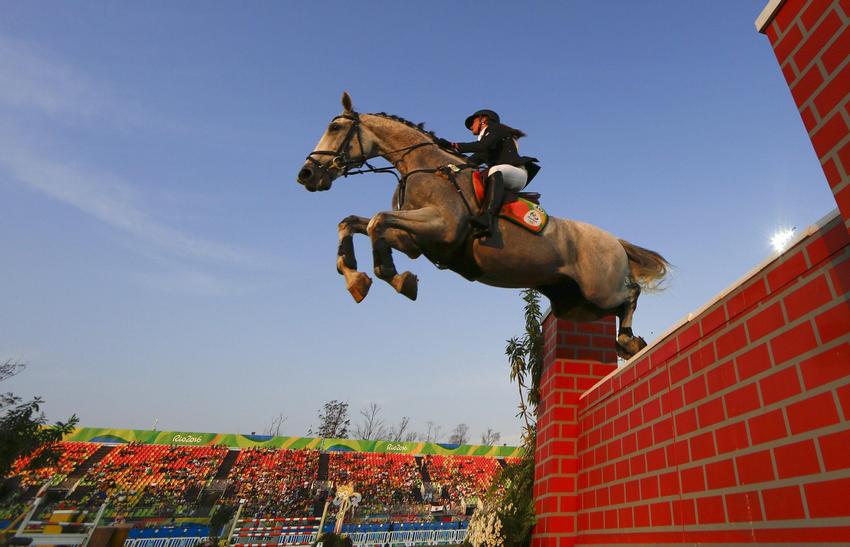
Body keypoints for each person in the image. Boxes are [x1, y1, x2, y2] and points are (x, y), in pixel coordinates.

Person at [437, 109, 540, 238]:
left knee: (494, 170)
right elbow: (470, 162)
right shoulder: (488, 142)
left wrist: (453, 145)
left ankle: (488, 217)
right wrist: (449, 166)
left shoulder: (496, 129)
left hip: (517, 174)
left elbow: (482, 146)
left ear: (483, 120)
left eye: (472, 122)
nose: (470, 127)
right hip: (503, 174)